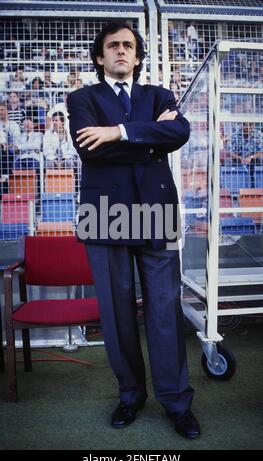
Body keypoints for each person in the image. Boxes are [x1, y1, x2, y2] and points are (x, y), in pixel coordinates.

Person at [67, 22, 200, 439]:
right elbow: (88, 145)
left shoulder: (158, 95)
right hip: (104, 213)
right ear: (99, 57)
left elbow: (179, 132)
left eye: (128, 45)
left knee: (165, 311)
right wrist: (148, 138)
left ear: (138, 56)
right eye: (113, 46)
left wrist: (118, 132)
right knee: (118, 314)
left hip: (156, 213)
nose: (121, 51)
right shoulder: (81, 98)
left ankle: (177, 402)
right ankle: (130, 396)